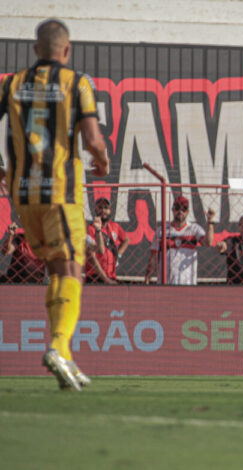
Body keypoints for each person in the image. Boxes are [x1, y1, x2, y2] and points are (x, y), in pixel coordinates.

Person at [0, 19, 109, 390]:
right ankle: (60, 348)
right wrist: (103, 161)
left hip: (23, 196)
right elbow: (93, 140)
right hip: (61, 194)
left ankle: (66, 356)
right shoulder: (76, 83)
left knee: (56, 271)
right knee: (73, 272)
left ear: (35, 50)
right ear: (67, 49)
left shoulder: (11, 84)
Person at [144, 195, 214, 285]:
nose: (180, 211)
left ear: (188, 212)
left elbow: (208, 243)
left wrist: (210, 221)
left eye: (184, 208)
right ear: (172, 210)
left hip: (188, 283)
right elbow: (153, 257)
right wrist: (147, 278)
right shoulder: (162, 230)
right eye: (177, 208)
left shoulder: (194, 229)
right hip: (165, 282)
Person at [85, 197, 128, 284]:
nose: (103, 210)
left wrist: (118, 255)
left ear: (110, 211)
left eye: (106, 208)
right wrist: (106, 279)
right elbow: (91, 257)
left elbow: (126, 240)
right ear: (95, 210)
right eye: (100, 208)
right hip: (95, 276)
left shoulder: (115, 226)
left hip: (111, 274)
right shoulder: (90, 229)